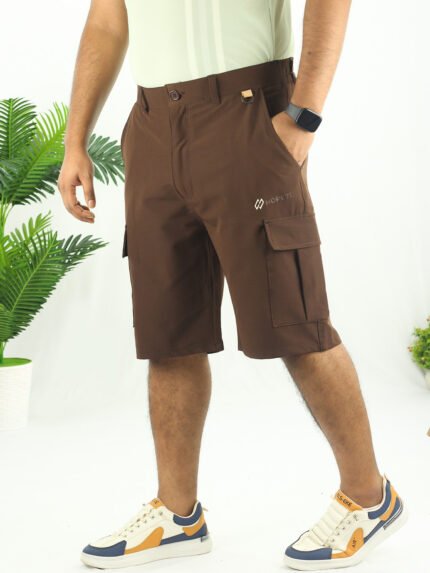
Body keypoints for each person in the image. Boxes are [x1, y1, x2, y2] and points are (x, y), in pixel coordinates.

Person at [57, 0, 407, 570]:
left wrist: (305, 116)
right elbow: (107, 18)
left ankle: (370, 497)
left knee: (295, 322)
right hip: (152, 125)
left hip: (250, 114)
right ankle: (178, 515)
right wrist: (76, 140)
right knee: (169, 332)